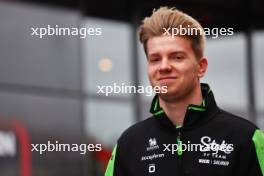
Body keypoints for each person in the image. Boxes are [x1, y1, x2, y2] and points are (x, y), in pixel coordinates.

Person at [105, 6, 264, 176]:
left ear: (200, 67)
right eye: (155, 59)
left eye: (177, 57)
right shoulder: (129, 144)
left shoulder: (245, 138)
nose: (164, 66)